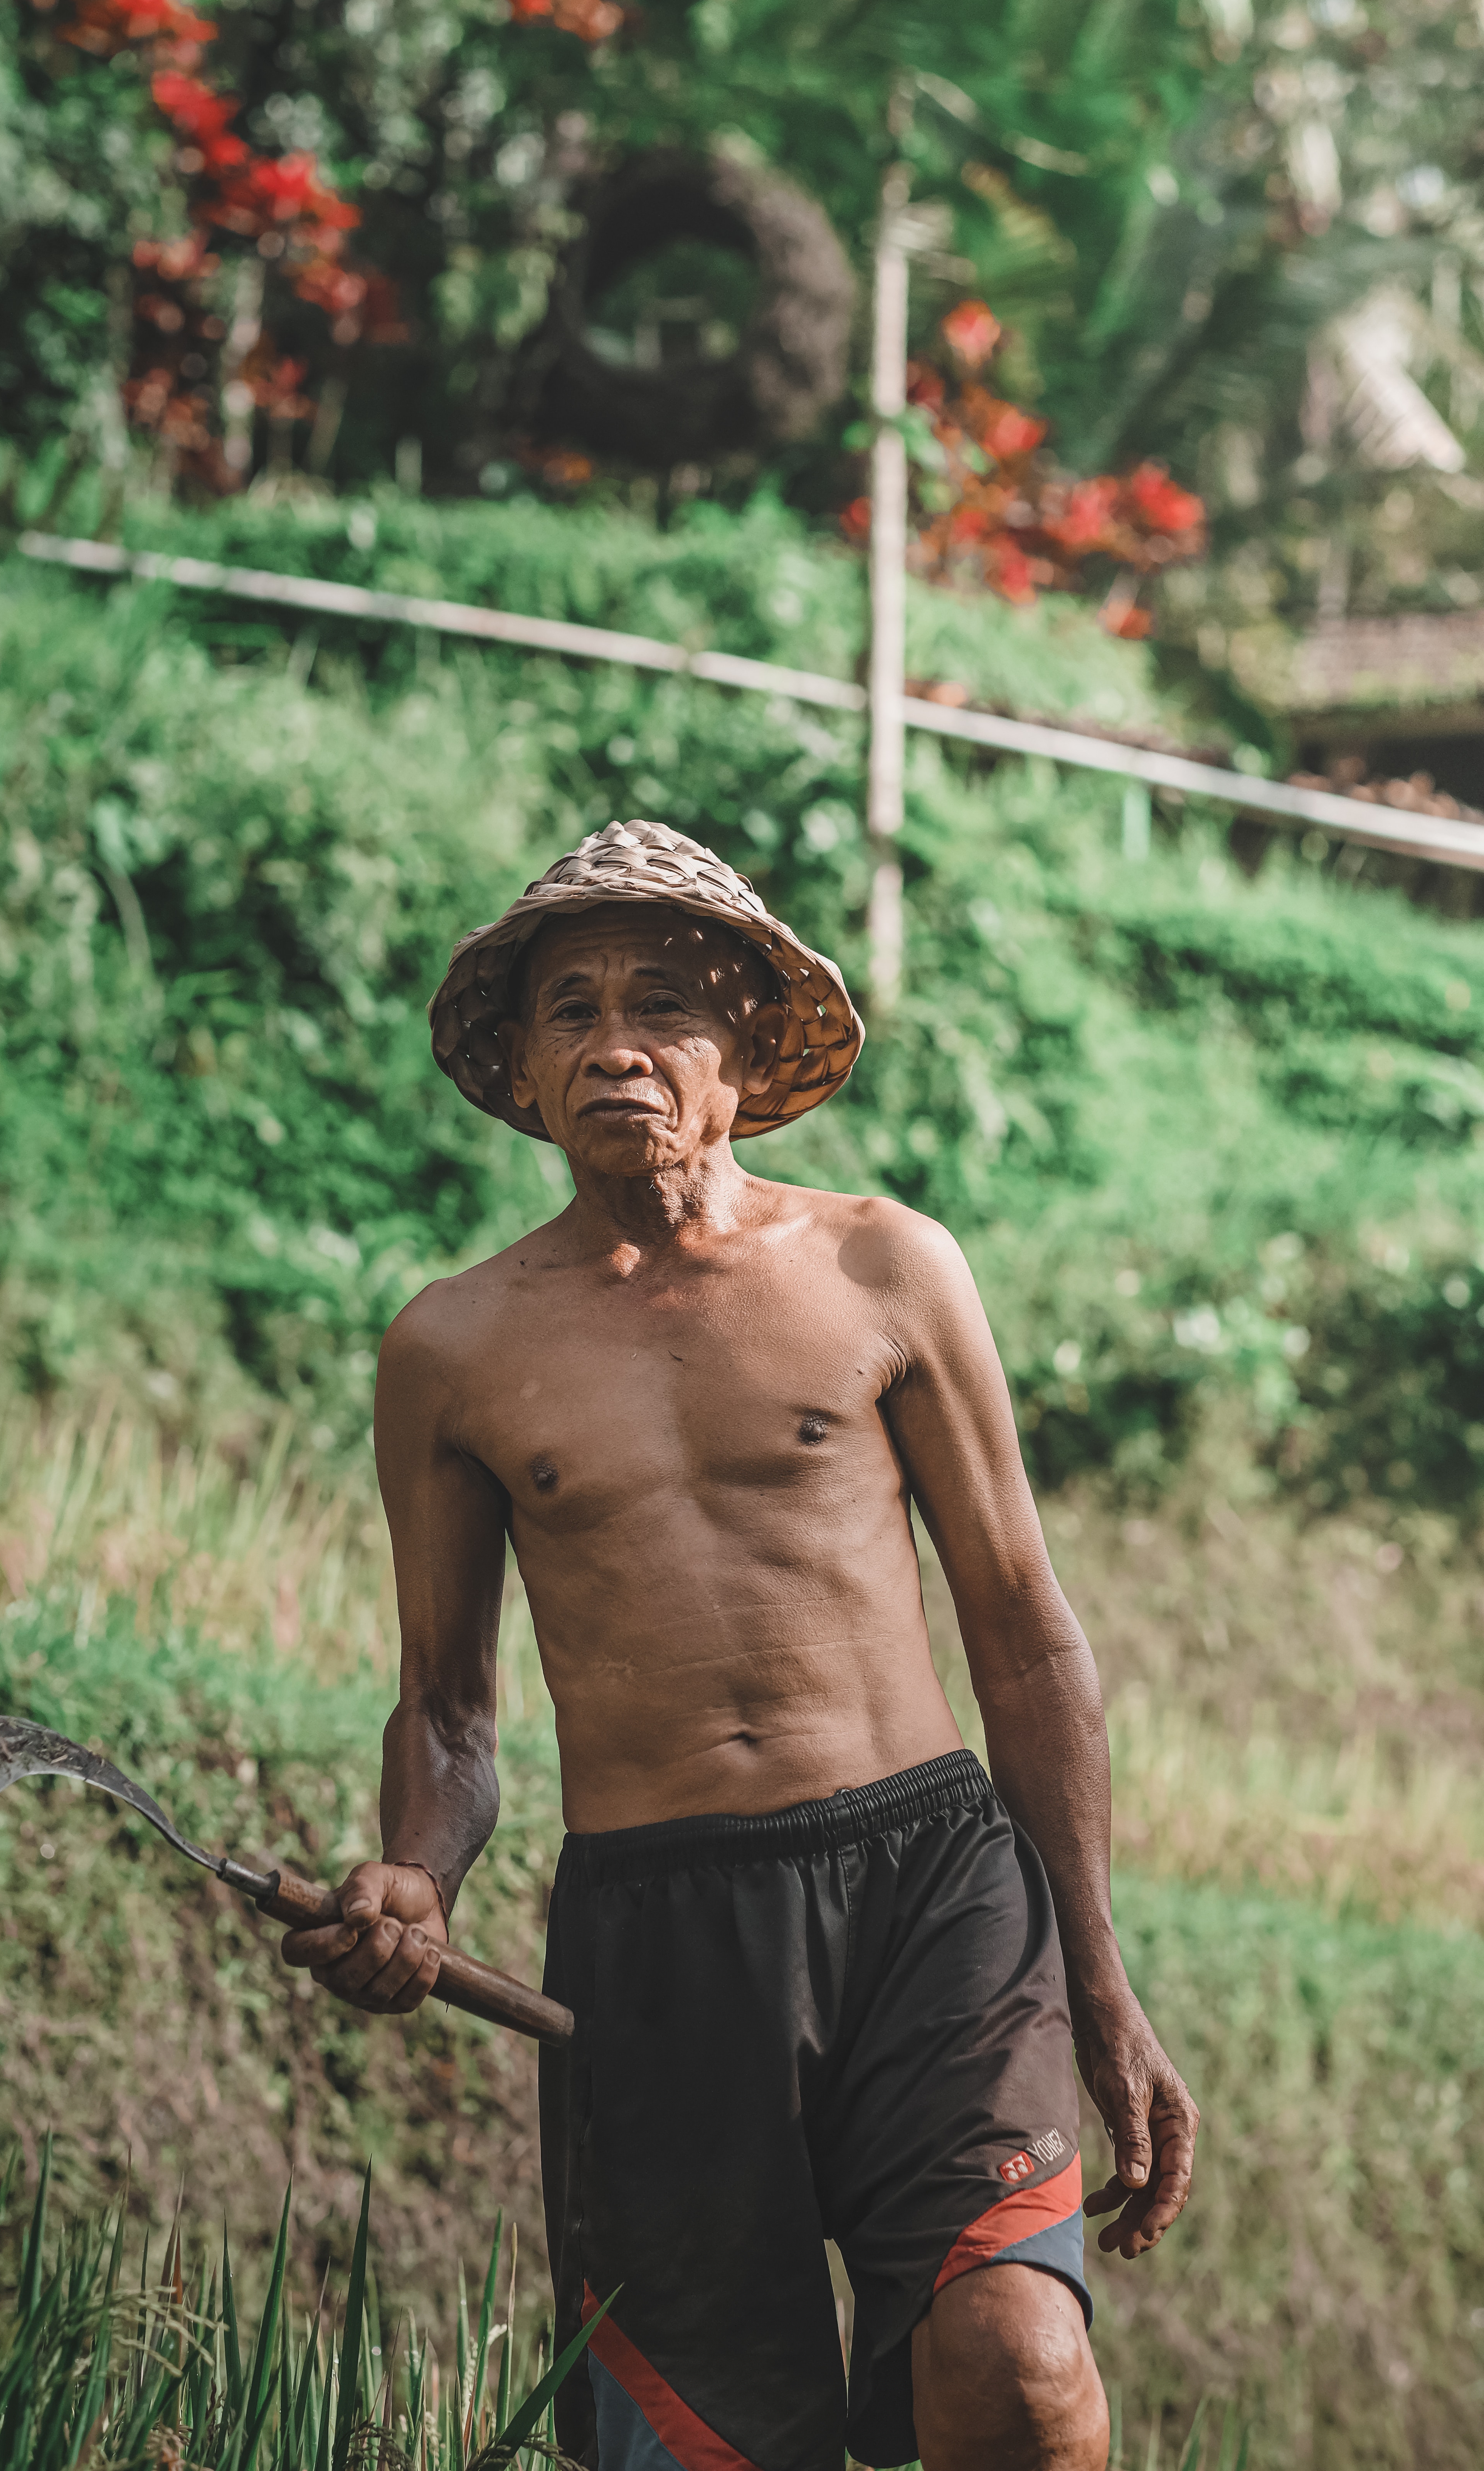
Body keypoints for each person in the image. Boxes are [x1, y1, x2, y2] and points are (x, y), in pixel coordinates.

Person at [283, 820, 1198, 2471]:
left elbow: (1021, 1634)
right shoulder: (451, 1348)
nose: (612, 1043)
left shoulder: (882, 1266)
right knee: (703, 2448)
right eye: (567, 1008)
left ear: (742, 1048)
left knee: (1018, 2371)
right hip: (657, 1939)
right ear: (519, 1062)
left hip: (929, 1884)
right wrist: (412, 1875)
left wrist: (1097, 1973)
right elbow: (448, 1709)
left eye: (660, 1004)